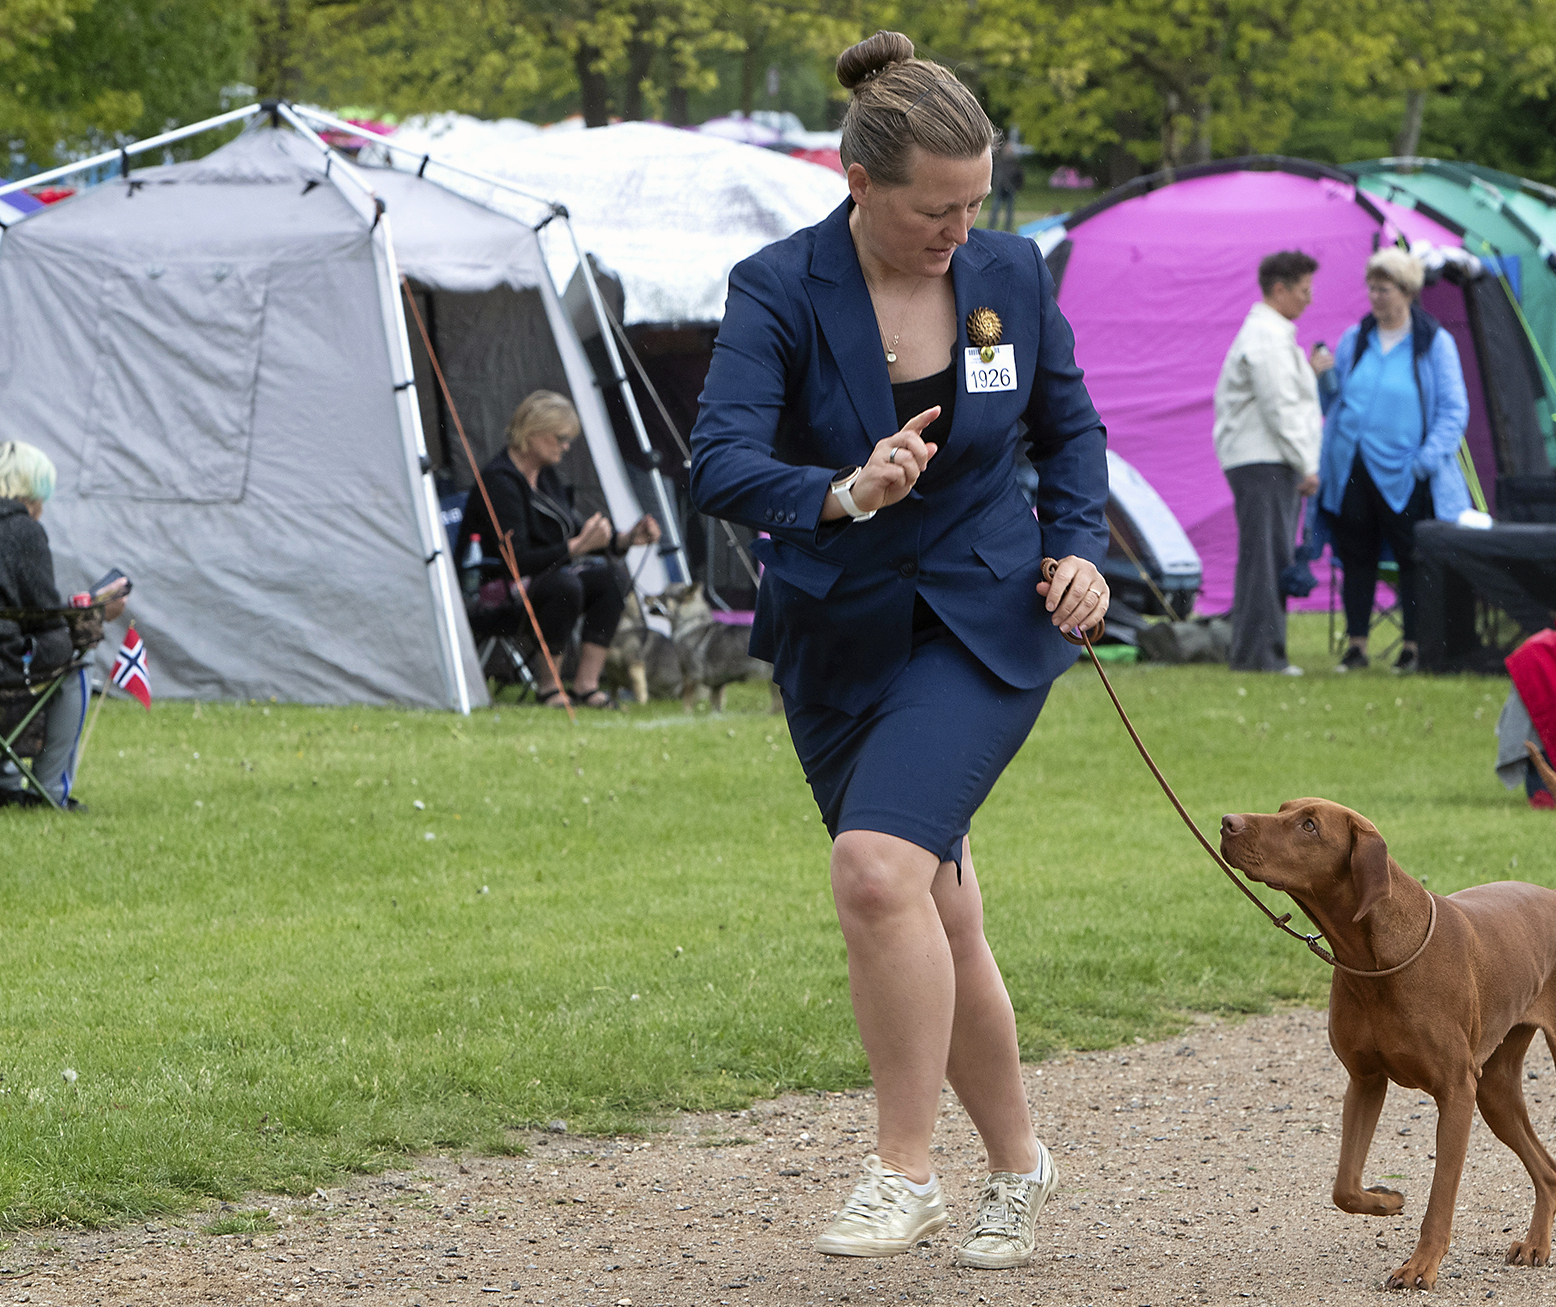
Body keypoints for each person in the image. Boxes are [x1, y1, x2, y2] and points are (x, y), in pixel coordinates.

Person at [689, 30, 1110, 1270]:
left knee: (877, 872)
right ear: (858, 181)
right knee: (933, 904)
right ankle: (1022, 1164)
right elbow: (718, 460)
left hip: (986, 617)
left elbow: (1066, 424)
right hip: (837, 630)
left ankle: (902, 1169)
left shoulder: (1008, 273)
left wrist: (1081, 548)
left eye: (975, 202)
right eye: (936, 207)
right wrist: (842, 489)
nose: (958, 230)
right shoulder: (776, 285)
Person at [1316, 247, 1471, 675]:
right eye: (1371, 288)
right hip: (1353, 467)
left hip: (1406, 471)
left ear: (1406, 292)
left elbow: (1454, 410)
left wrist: (1425, 461)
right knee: (1356, 555)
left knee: (1411, 558)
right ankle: (1357, 646)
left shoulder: (1434, 342)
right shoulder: (1355, 338)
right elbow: (1336, 401)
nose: (1375, 297)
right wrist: (1324, 378)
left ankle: (1414, 646)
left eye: (1383, 289)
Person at [457, 391, 660, 708]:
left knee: (612, 578)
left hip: (546, 580)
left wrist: (626, 538)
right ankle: (550, 687)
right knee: (565, 584)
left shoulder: (546, 476)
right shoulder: (500, 483)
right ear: (532, 433)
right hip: (494, 590)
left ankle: (585, 685)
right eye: (561, 438)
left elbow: (576, 532)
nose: (566, 447)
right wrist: (577, 548)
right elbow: (517, 560)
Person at [1212, 249, 1333, 674]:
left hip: (1263, 458)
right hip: (1264, 460)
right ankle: (1263, 656)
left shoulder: (1272, 333)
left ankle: (1250, 652)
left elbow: (1285, 392)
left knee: (1261, 556)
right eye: (1304, 290)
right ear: (1279, 289)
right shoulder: (1266, 335)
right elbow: (1278, 405)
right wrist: (1307, 463)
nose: (1310, 300)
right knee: (1267, 557)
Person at [0, 440, 124, 811]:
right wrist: (98, 613)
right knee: (77, 660)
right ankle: (50, 791)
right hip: (5, 673)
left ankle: (5, 780)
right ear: (34, 491)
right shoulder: (22, 530)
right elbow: (46, 620)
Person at [985, 131, 1023, 230]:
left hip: (1010, 189)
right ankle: (991, 227)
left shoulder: (1015, 162)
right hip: (1000, 188)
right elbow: (994, 173)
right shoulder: (999, 160)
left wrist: (1016, 186)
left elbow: (1019, 176)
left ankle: (1008, 229)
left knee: (1009, 211)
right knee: (995, 209)